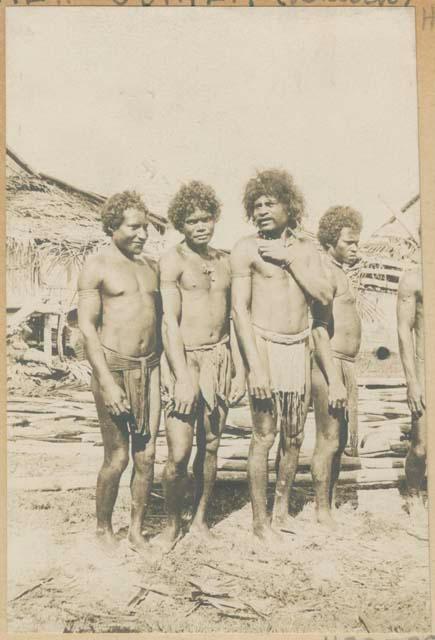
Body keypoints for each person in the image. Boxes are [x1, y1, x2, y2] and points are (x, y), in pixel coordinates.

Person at [231, 169, 332, 542]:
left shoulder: (307, 250)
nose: (262, 210)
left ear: (290, 207)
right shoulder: (245, 248)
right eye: (256, 205)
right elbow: (239, 311)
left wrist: (289, 259)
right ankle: (260, 524)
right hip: (264, 347)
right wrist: (254, 367)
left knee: (294, 437)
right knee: (264, 436)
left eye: (270, 203)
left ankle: (282, 511)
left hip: (298, 346)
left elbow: (323, 296)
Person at [154, 181, 245, 552]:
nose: (201, 226)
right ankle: (171, 524)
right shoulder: (172, 260)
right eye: (192, 221)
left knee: (211, 446)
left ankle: (201, 520)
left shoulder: (224, 261)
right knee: (179, 452)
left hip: (218, 358)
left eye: (206, 218)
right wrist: (182, 377)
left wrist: (240, 369)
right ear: (181, 223)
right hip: (183, 358)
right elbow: (168, 323)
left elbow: (235, 320)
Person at [78, 191, 161, 552]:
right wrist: (109, 383)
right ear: (113, 225)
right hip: (113, 369)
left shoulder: (151, 266)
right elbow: (87, 329)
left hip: (151, 369)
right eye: (133, 227)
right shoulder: (97, 266)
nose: (142, 234)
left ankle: (137, 530)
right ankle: (103, 529)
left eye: (146, 227)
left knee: (148, 455)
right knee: (118, 456)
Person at [310, 206, 362, 529]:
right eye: (349, 242)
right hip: (330, 365)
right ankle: (320, 510)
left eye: (357, 242)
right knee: (328, 438)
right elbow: (319, 329)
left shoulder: (340, 271)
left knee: (340, 440)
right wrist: (334, 379)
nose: (355, 247)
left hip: (346, 365)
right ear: (331, 242)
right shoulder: (325, 274)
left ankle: (328, 502)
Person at [397, 260, 426, 517]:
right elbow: (404, 330)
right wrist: (412, 381)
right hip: (426, 370)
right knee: (421, 446)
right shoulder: (414, 280)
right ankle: (414, 494)